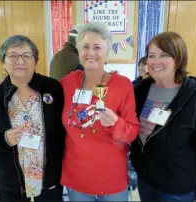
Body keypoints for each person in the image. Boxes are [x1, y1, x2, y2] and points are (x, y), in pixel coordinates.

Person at [0, 35, 66, 201]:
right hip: (11, 186)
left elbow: (65, 130)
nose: (20, 61)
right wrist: (3, 138)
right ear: (3, 61)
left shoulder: (53, 88)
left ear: (35, 60)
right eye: (13, 55)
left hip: (48, 184)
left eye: (26, 55)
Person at [60, 21, 140, 201]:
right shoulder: (67, 83)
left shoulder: (122, 84)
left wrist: (116, 123)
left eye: (97, 47)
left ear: (107, 52)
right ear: (79, 52)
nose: (91, 53)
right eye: (85, 47)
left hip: (111, 177)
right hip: (76, 176)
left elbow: (132, 132)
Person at [130, 31, 196, 202]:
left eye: (164, 55)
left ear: (177, 59)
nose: (155, 61)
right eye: (151, 55)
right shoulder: (140, 91)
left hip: (177, 187)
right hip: (146, 179)